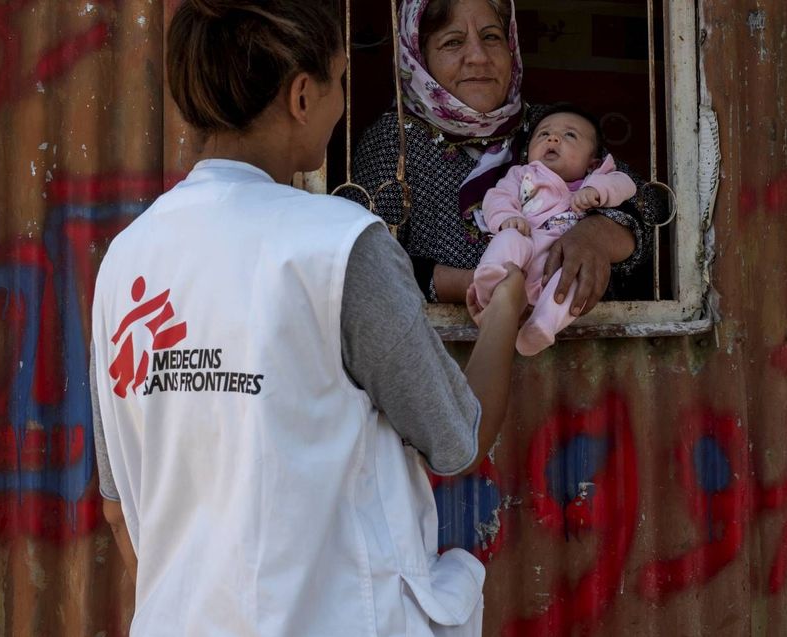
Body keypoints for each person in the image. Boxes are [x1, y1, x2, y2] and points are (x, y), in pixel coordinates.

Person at [89, 1, 526, 635]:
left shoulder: (126, 259)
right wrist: (507, 304)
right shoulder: (339, 245)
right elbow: (457, 440)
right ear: (301, 97)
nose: (343, 102)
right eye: (340, 81)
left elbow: (117, 511)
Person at [350, 0, 662, 310]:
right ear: (418, 58)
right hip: (449, 349)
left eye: (490, 37)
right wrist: (482, 287)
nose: (478, 57)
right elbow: (366, 264)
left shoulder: (547, 126)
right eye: (453, 42)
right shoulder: (395, 140)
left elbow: (650, 205)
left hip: (578, 339)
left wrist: (594, 235)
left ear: (510, 45)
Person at [473, 105, 636, 355]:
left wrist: (596, 192)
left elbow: (625, 184)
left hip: (559, 262)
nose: (553, 138)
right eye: (543, 134)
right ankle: (491, 279)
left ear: (592, 162)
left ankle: (543, 325)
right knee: (508, 239)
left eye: (570, 135)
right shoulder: (522, 174)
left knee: (576, 278)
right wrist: (508, 217)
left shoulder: (594, 179)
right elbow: (496, 197)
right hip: (526, 245)